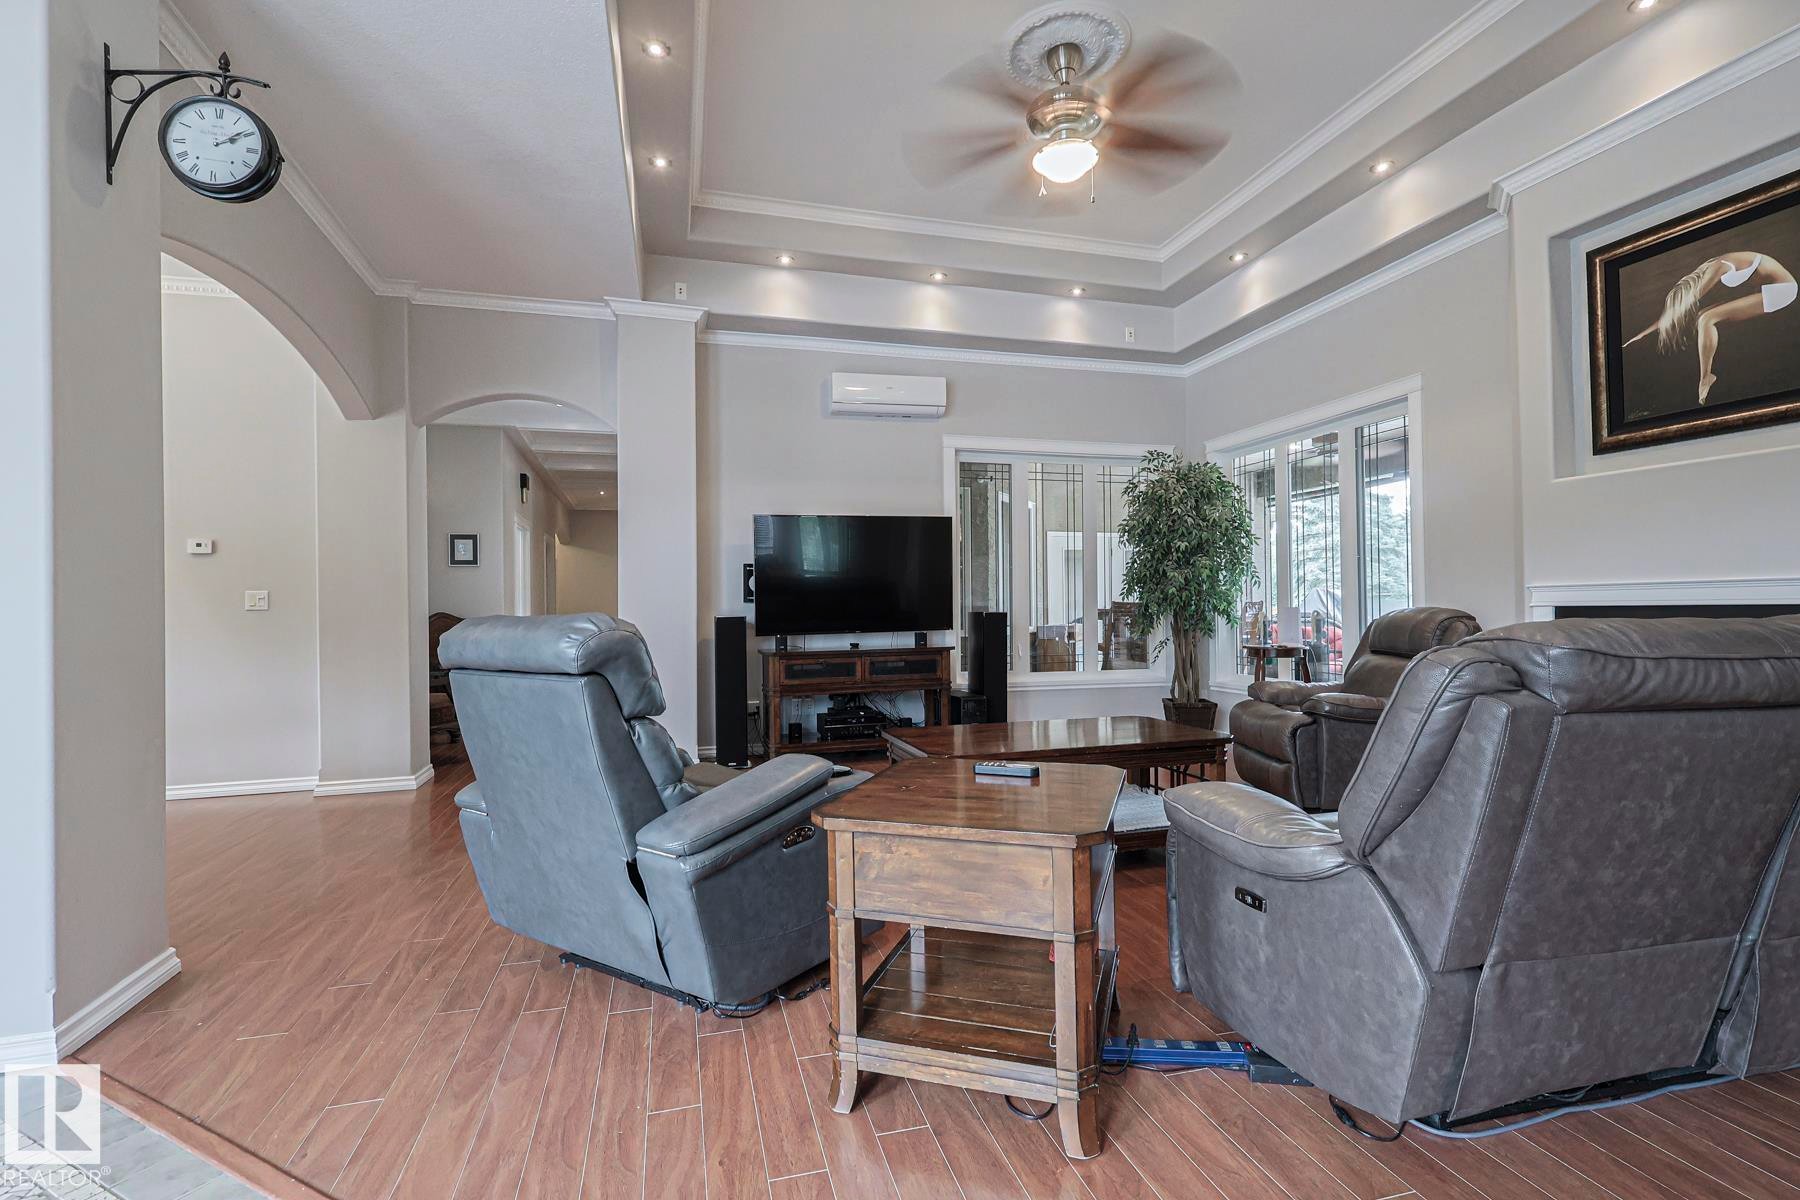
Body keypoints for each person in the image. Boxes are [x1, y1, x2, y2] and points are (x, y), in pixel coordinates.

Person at [1623, 251, 1798, 403]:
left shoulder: (1716, 267)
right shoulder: (1711, 266)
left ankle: (1706, 378)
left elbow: (1683, 306)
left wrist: (1648, 330)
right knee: (1702, 316)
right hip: (1767, 287)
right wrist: (1644, 333)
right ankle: (1710, 371)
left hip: (1782, 289)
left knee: (1707, 319)